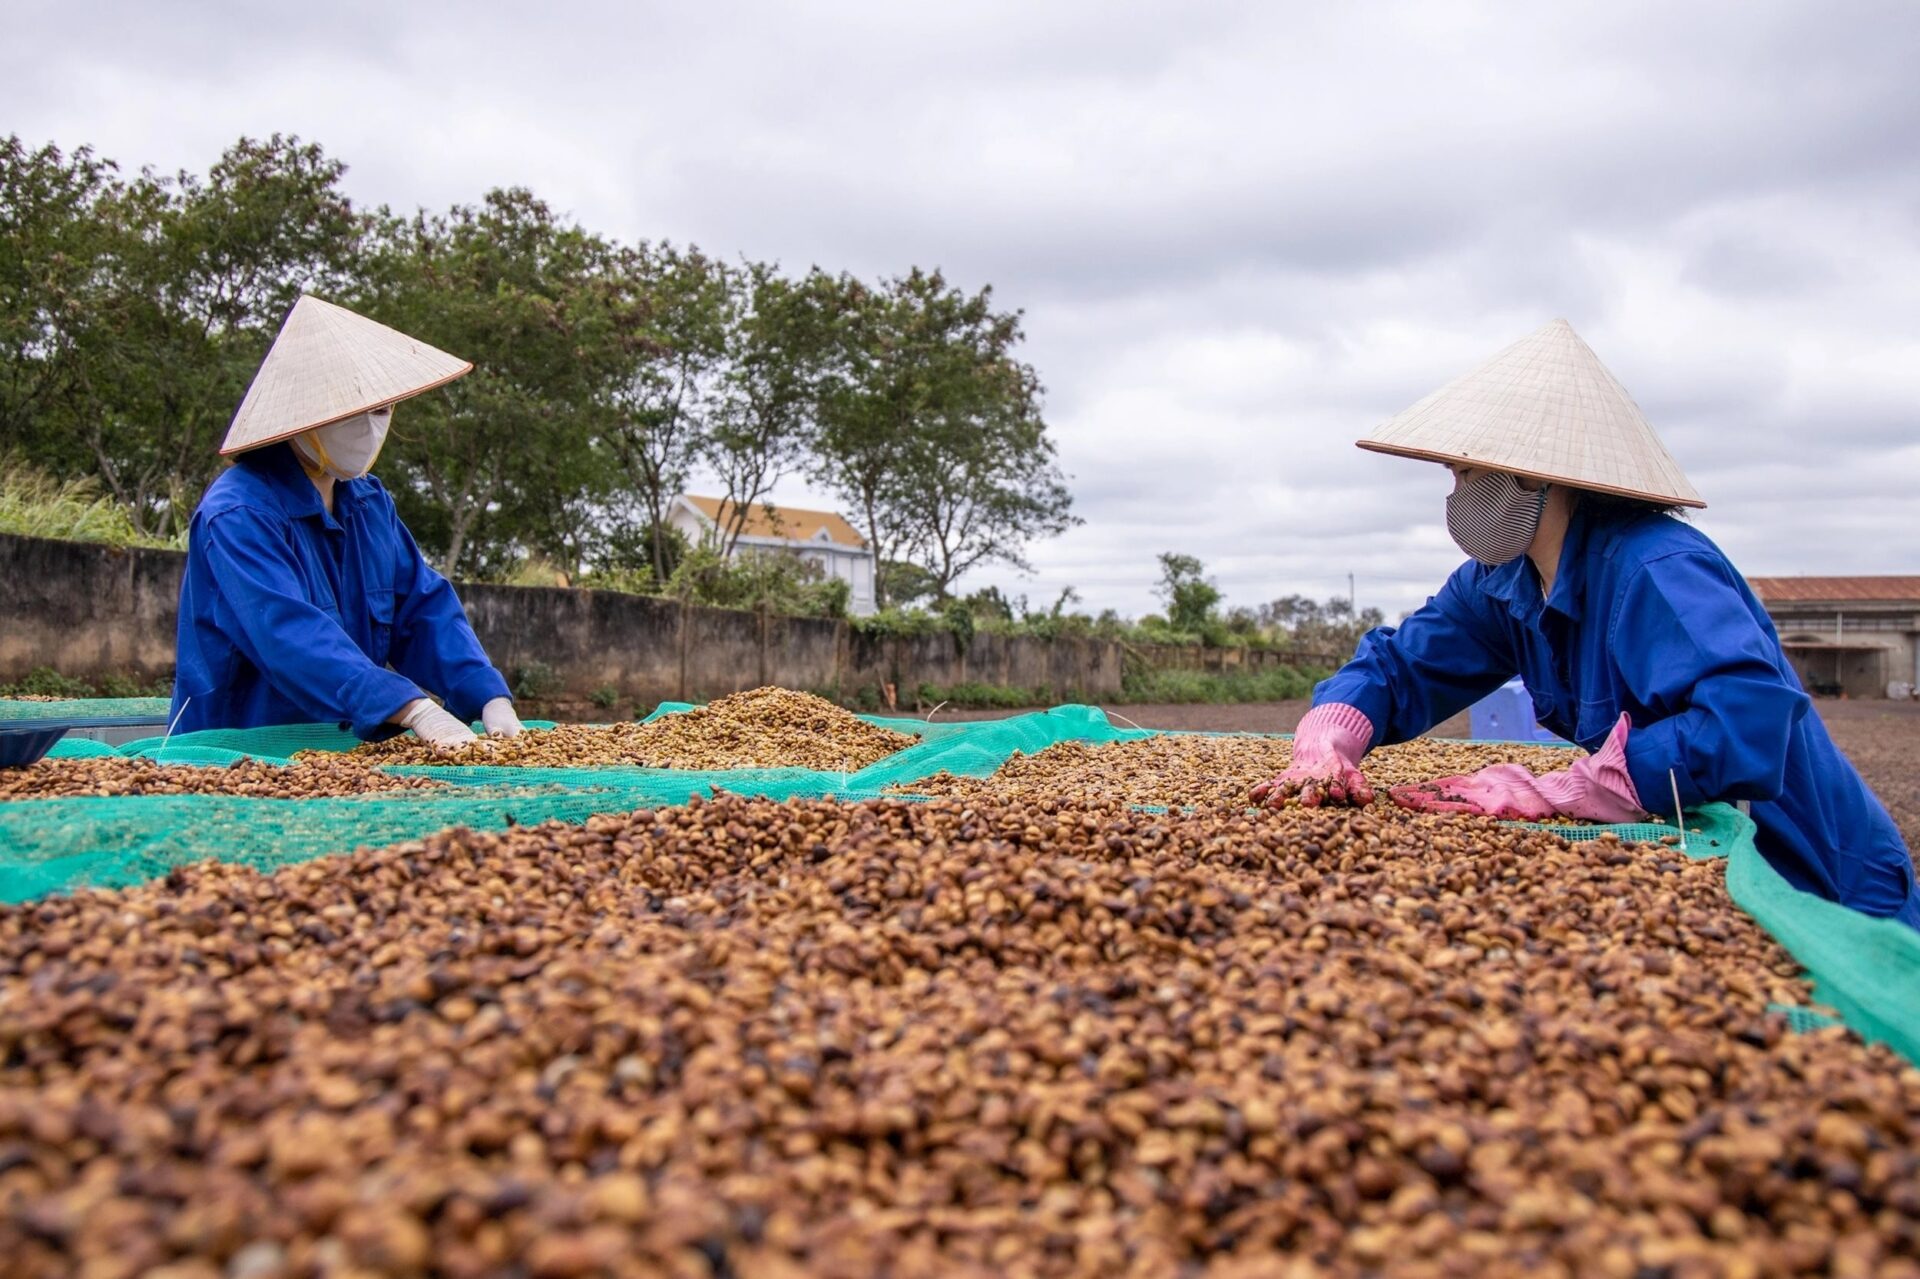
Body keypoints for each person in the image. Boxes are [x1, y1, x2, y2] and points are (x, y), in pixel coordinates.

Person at [1253, 319, 1919, 928]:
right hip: (1713, 874)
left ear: (1528, 476)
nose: (1456, 494)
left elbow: (1746, 722)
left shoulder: (1655, 568)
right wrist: (1333, 730)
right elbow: (1403, 666)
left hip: (1821, 881)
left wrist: (1579, 786)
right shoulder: (1504, 583)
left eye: (1464, 471)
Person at [170, 295, 524, 751]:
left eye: (381, 409)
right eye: (350, 411)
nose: (370, 426)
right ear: (302, 418)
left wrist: (486, 693)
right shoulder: (239, 514)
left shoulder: (368, 503)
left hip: (345, 753)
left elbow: (421, 608)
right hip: (240, 752)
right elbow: (288, 633)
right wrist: (411, 706)